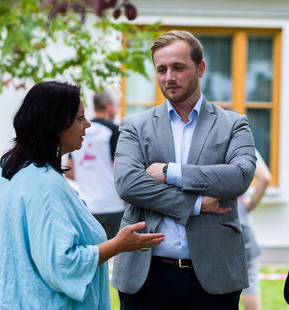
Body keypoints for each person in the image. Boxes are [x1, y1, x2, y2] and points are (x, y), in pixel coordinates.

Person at [0, 81, 164, 309]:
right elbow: (63, 263)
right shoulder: (44, 184)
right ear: (56, 124)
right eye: (79, 118)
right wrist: (118, 245)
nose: (87, 125)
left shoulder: (9, 167)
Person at [111, 30, 257, 310]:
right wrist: (197, 203)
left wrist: (170, 172)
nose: (169, 77)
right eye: (161, 69)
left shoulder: (233, 124)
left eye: (178, 67)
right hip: (145, 275)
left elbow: (239, 177)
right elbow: (128, 184)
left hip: (214, 277)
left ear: (200, 68)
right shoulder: (134, 125)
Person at [66, 90, 126, 239]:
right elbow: (121, 168)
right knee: (114, 256)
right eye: (116, 105)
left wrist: (88, 176)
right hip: (113, 205)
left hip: (87, 205)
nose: (117, 110)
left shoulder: (80, 130)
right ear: (108, 106)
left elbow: (69, 170)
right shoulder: (113, 131)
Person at [238, 150, 271, 310]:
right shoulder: (242, 142)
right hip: (242, 229)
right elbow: (265, 177)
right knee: (250, 284)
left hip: (209, 225)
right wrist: (251, 203)